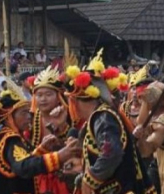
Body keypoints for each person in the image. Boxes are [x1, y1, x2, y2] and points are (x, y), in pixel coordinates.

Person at [63, 50, 152, 194]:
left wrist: (91, 178)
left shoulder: (102, 117)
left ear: (76, 101)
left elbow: (112, 153)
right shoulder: (99, 117)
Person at [0, 79, 80, 194]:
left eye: (28, 112)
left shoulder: (4, 135)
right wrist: (59, 156)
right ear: (10, 117)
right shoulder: (9, 138)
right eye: (24, 113)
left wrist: (42, 149)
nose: (29, 116)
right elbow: (23, 167)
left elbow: (21, 160)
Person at [30, 66, 72, 194]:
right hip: (37, 174)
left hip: (65, 176)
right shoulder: (29, 119)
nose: (43, 99)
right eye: (39, 95)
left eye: (48, 94)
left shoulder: (70, 115)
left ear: (58, 96)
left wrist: (62, 126)